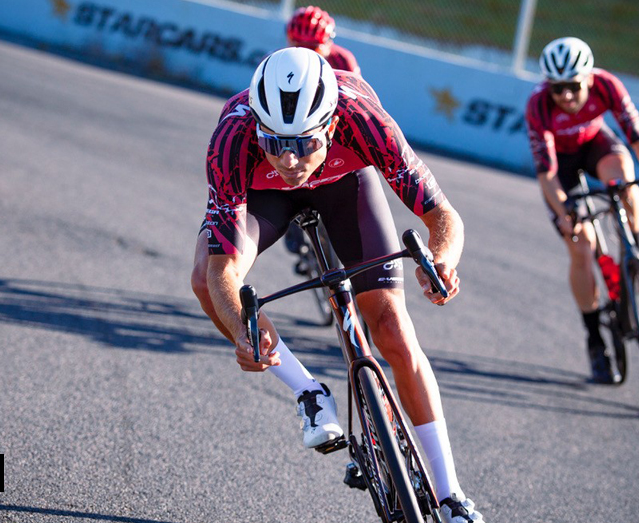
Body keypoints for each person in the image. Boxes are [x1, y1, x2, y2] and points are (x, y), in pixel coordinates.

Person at [190, 48, 484, 522]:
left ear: (329, 126)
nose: (288, 158)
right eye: (274, 141)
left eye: (303, 142)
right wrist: (245, 335)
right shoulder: (233, 134)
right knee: (204, 278)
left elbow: (442, 216)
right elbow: (223, 271)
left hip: (346, 182)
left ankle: (450, 494)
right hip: (265, 198)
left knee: (392, 329)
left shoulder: (363, 118)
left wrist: (443, 261)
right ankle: (309, 392)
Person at [524, 37, 639, 384]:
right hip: (561, 168)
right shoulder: (538, 105)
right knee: (580, 245)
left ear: (588, 78)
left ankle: (633, 254)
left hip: (596, 145)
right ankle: (596, 340)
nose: (565, 96)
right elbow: (547, 174)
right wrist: (566, 210)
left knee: (625, 178)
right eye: (557, 88)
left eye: (572, 86)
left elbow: (638, 138)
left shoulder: (607, 85)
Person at [281, 5, 361, 258]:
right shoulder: (278, 61)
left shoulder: (342, 60)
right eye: (299, 46)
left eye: (313, 48)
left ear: (328, 43)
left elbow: (357, 101)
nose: (305, 54)